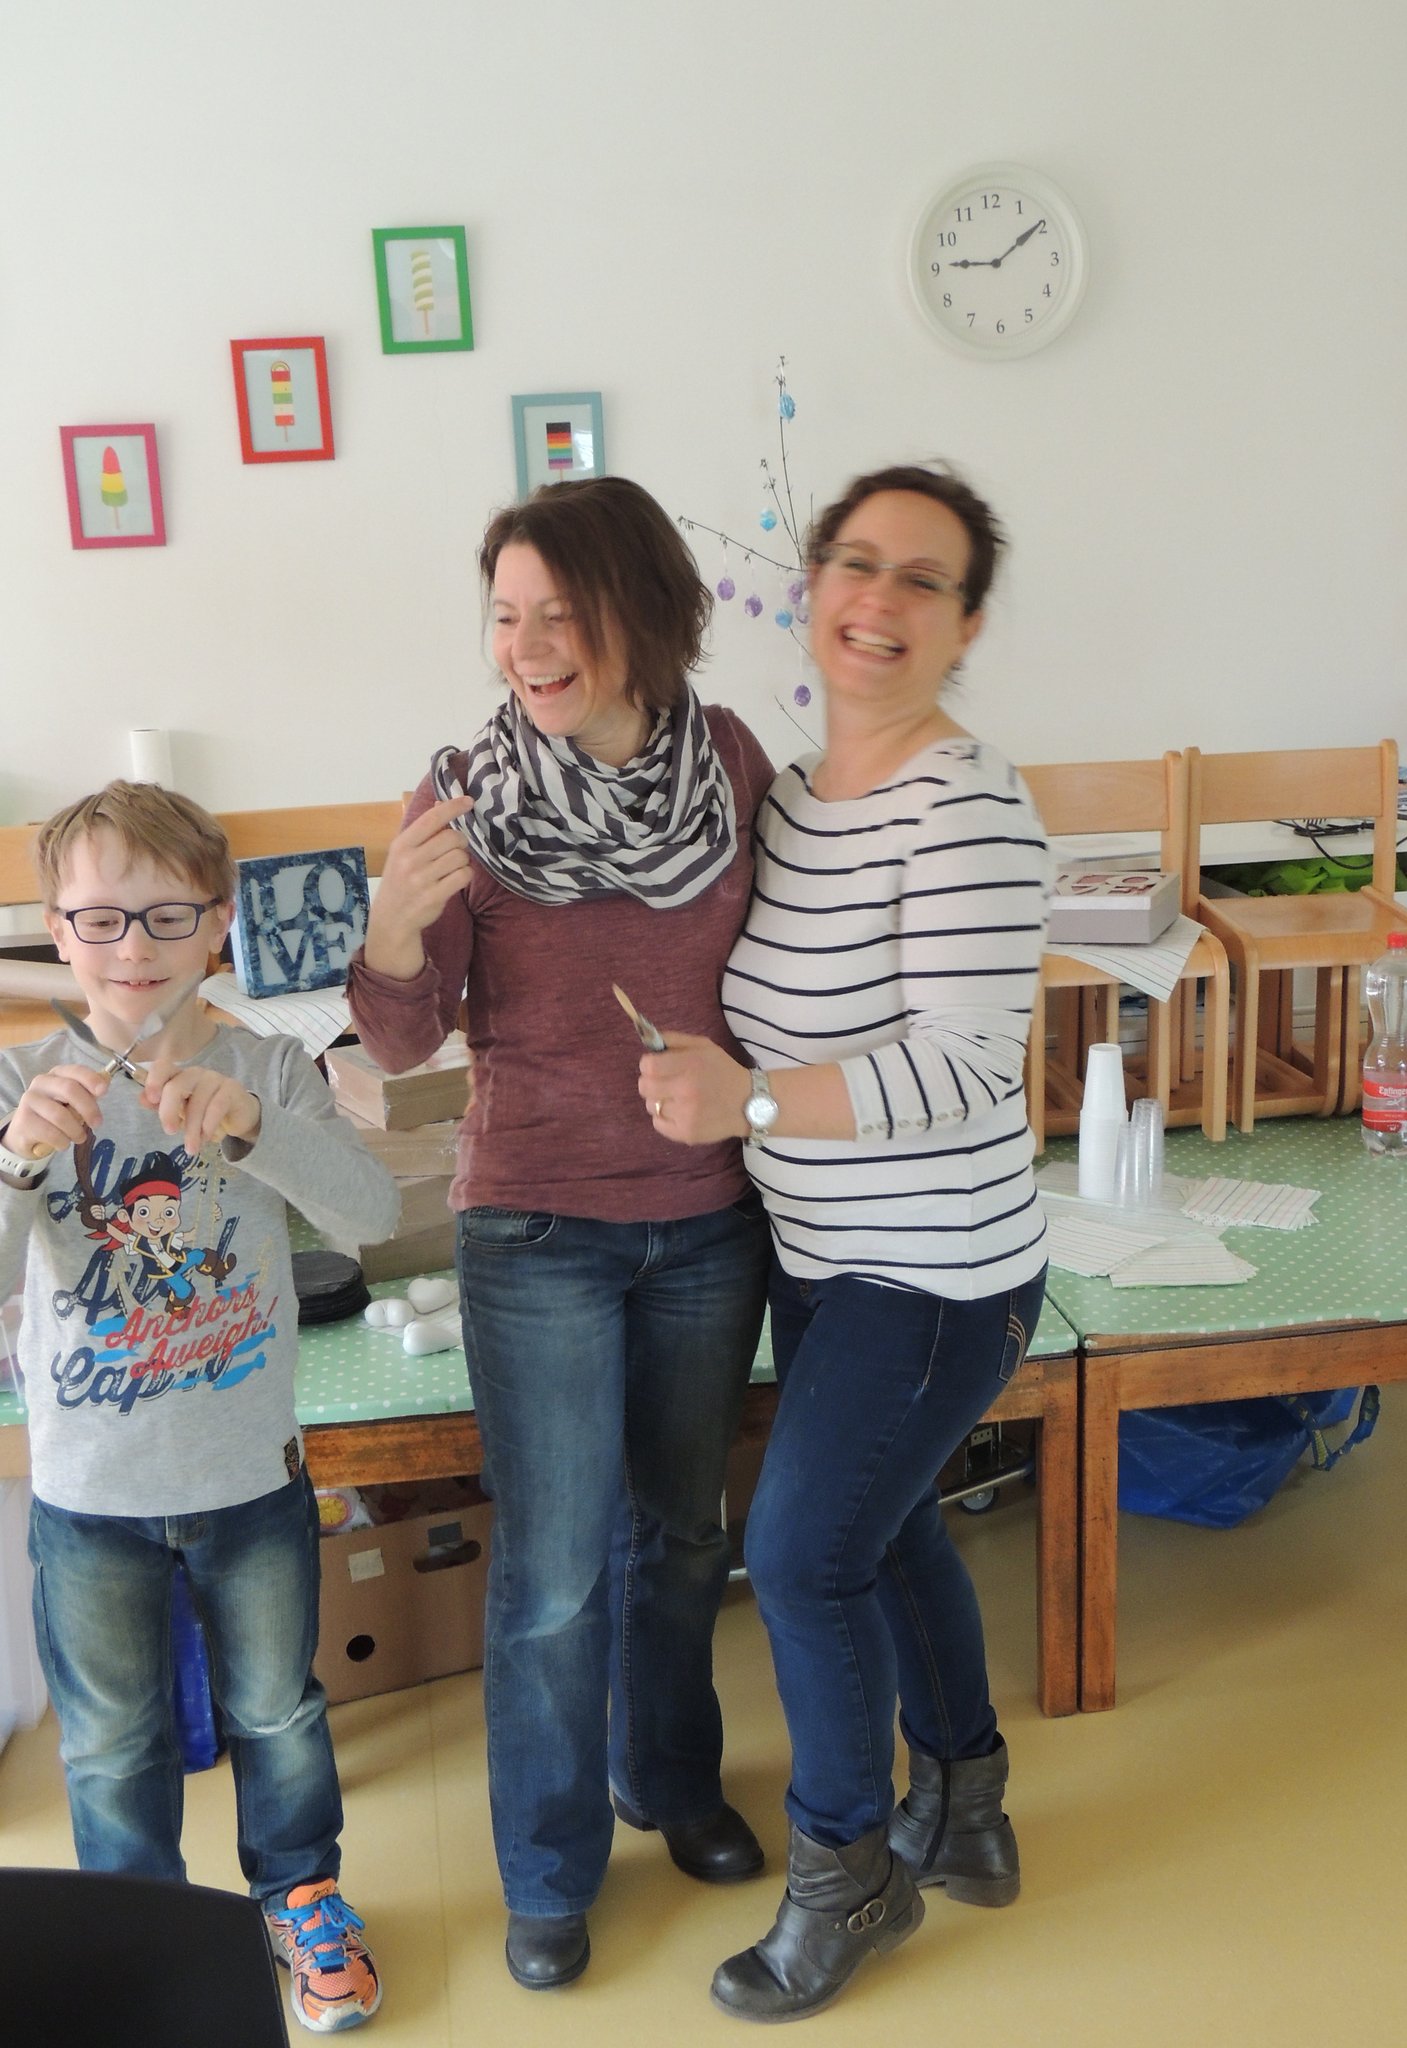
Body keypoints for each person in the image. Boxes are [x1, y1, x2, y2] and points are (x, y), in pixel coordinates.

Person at [346, 475, 775, 1992]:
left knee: (684, 1536)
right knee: (556, 1572)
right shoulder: (463, 796)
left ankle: (668, 1779)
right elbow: (399, 1043)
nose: (525, 646)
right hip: (537, 1228)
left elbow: (784, 962)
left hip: (709, 1222)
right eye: (505, 616)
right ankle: (545, 1868)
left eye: (560, 614)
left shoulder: (731, 765)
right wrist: (393, 923)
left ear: (643, 615)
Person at [638, 463, 1051, 2022]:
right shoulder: (796, 795)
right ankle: (970, 1811)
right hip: (824, 1256)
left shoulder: (970, 809)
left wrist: (747, 1104)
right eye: (855, 563)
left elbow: (966, 1064)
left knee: (805, 1559)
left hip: (938, 1275)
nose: (878, 601)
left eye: (922, 580)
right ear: (809, 588)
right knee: (891, 1533)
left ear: (968, 625)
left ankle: (848, 1873)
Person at [0, 781, 400, 2035]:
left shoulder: (268, 1064)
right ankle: (140, 1935)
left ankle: (301, 1893)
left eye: (168, 915)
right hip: (89, 1493)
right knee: (110, 1743)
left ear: (219, 923)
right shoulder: (17, 1075)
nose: (135, 948)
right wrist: (14, 1159)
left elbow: (371, 1212)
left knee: (279, 1709)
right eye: (101, 918)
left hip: (251, 1476)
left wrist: (257, 1129)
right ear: (58, 930)